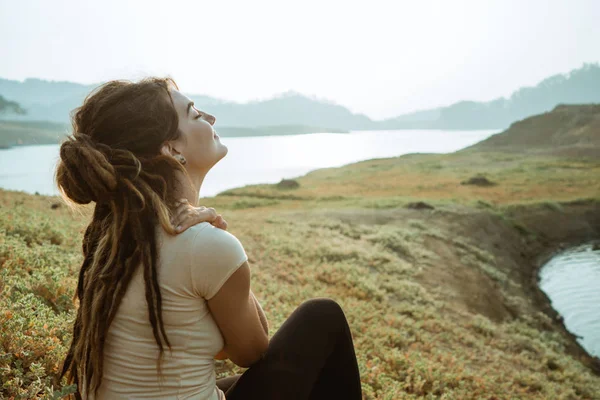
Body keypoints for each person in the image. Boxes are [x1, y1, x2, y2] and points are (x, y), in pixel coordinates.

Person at [55, 77, 363, 400]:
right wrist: (219, 236)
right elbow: (253, 350)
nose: (211, 118)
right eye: (194, 113)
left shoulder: (113, 240)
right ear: (172, 149)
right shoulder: (203, 244)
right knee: (323, 318)